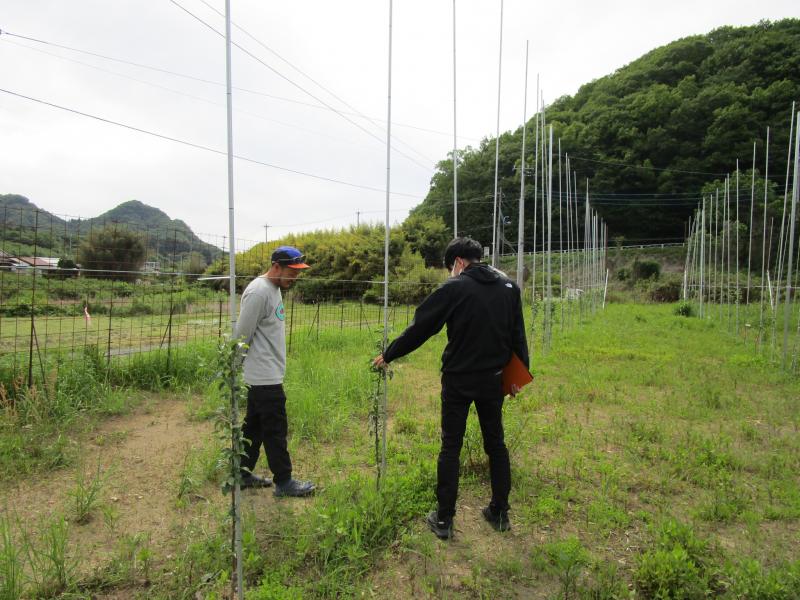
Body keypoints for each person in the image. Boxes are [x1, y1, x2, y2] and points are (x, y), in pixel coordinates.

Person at [373, 237, 529, 539]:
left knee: (451, 446)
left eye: (449, 268)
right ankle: (500, 512)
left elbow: (422, 327)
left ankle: (444, 519)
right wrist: (516, 378)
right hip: (494, 379)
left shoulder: (454, 287)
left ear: (457, 262)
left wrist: (390, 353)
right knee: (496, 444)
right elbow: (517, 336)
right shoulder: (509, 288)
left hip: (458, 380)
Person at [233, 245, 316, 497]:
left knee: (255, 428)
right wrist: (232, 368)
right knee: (275, 430)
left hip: (267, 373)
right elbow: (242, 335)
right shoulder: (259, 292)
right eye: (292, 272)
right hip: (263, 376)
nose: (295, 278)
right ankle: (284, 481)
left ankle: (242, 474)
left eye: (298, 272)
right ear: (276, 266)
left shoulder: (275, 289)